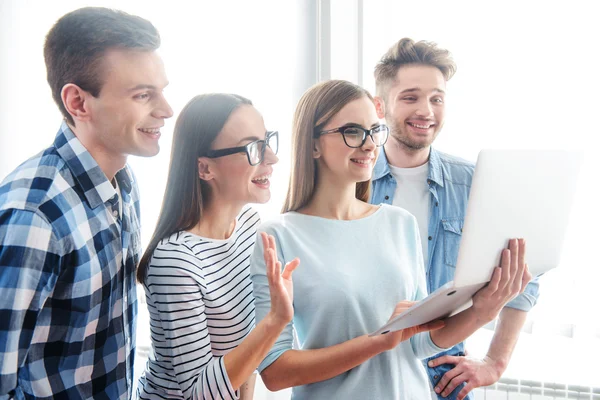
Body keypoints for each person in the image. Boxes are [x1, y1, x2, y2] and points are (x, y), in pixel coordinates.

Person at [250, 79, 531, 399]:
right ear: (313, 144)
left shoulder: (399, 223)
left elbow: (419, 343)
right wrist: (377, 341)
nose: (370, 144)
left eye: (375, 130)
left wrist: (483, 311)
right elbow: (275, 371)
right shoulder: (277, 236)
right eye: (353, 131)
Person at [0, 7, 173, 399]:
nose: (166, 110)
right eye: (144, 95)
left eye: (162, 90)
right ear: (78, 102)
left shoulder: (123, 185)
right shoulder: (34, 217)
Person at [370, 38, 541, 400]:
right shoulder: (351, 183)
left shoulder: (475, 183)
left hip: (443, 382)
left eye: (437, 98)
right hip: (368, 377)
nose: (426, 111)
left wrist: (495, 361)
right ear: (379, 105)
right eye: (411, 97)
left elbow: (528, 275)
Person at [136, 93, 300, 400]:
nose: (271, 158)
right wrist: (275, 320)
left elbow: (247, 363)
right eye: (253, 148)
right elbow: (198, 394)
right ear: (205, 169)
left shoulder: (251, 225)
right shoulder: (175, 261)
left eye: (267, 141)